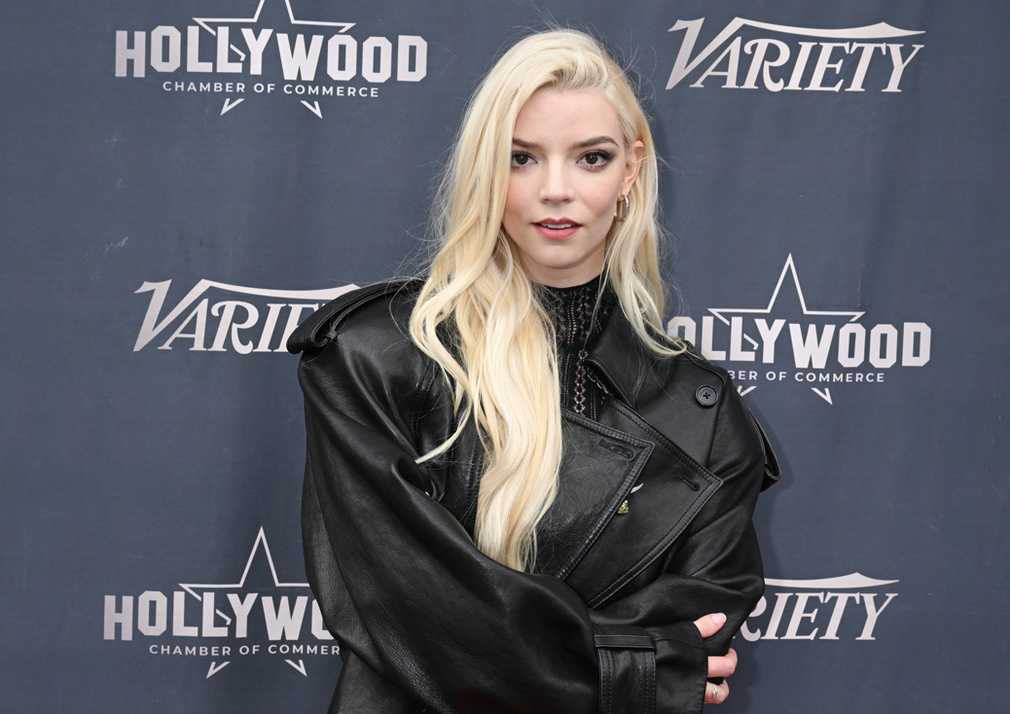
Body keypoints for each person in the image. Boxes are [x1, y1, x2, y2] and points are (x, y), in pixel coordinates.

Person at [288, 26, 780, 714]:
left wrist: (599, 660)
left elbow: (702, 626)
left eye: (591, 158)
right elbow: (415, 612)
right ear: (486, 169)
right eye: (521, 158)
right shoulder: (374, 360)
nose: (556, 190)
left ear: (630, 172)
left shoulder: (701, 414)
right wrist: (633, 671)